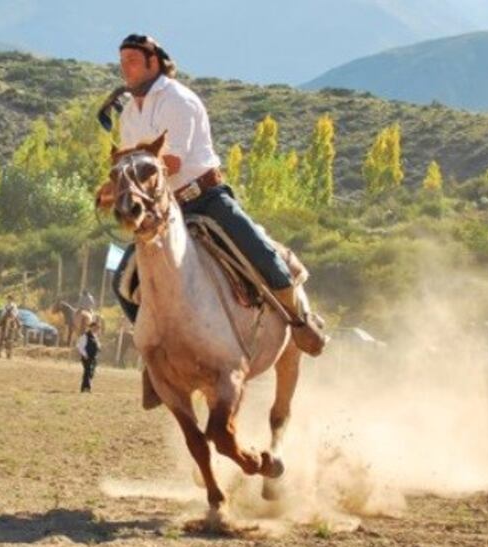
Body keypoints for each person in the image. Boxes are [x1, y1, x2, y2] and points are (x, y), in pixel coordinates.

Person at [97, 34, 327, 358]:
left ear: (154, 63)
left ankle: (301, 322)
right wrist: (116, 188)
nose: (125, 70)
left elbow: (171, 162)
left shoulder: (178, 100)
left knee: (260, 254)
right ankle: (157, 355)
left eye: (132, 61)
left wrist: (131, 184)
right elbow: (132, 166)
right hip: (163, 211)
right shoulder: (129, 115)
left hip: (204, 197)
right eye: (122, 63)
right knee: (123, 284)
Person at [76, 320, 101, 392]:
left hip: (93, 358)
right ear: (91, 327)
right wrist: (85, 355)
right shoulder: (85, 336)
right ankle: (85, 388)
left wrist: (98, 347)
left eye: (98, 328)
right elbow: (80, 346)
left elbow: (98, 345)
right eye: (95, 327)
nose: (96, 329)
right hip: (87, 357)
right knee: (87, 372)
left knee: (91, 373)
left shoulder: (95, 336)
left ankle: (86, 387)